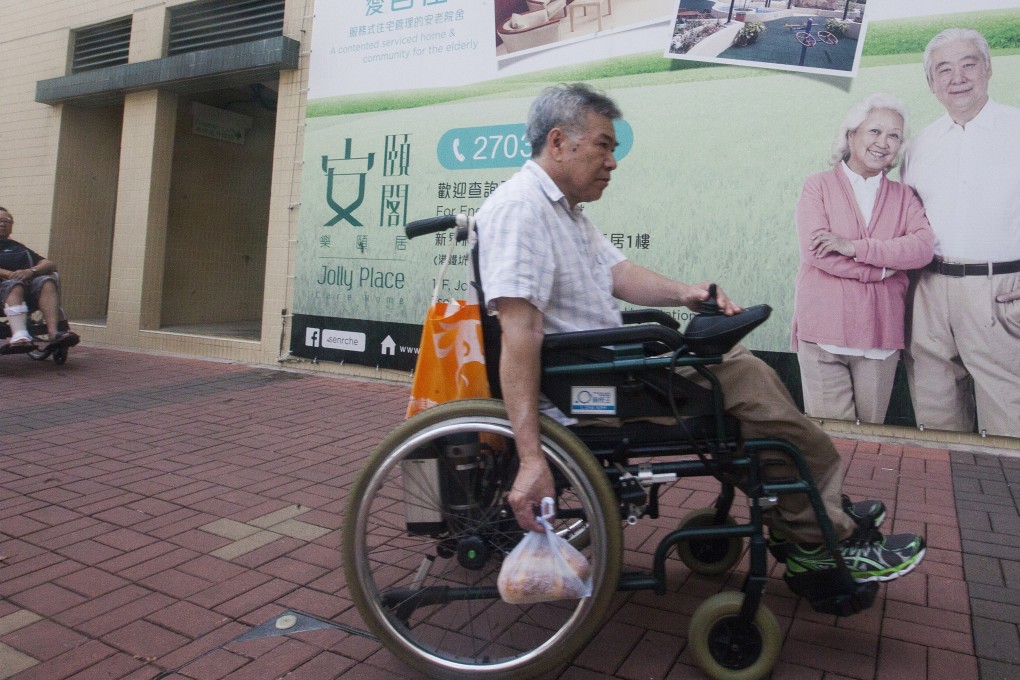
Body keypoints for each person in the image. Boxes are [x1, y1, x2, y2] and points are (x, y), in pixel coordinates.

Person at [475, 83, 925, 583]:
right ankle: (821, 538)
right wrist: (531, 456)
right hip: (590, 393)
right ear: (558, 142)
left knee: (743, 369)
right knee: (751, 390)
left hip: (609, 372)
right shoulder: (521, 210)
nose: (613, 161)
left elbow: (618, 273)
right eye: (604, 145)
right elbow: (519, 334)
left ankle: (817, 511)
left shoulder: (564, 213)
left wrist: (686, 292)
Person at [901, 28, 1020, 438]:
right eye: (943, 69)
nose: (958, 78)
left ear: (987, 69)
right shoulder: (920, 145)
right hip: (930, 290)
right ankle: (953, 501)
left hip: (1000, 290)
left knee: (1009, 419)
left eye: (969, 64)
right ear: (931, 83)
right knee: (936, 419)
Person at [792, 94, 934, 424]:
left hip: (880, 337)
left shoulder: (904, 196)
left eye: (894, 135)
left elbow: (923, 248)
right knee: (833, 441)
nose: (883, 143)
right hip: (824, 333)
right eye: (874, 131)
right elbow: (818, 253)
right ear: (851, 134)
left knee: (871, 443)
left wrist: (855, 248)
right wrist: (886, 268)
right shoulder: (818, 186)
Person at [0, 206, 79, 352]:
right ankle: (19, 335)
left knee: (46, 281)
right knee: (14, 284)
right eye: (0, 221)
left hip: (26, 293)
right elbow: (12, 279)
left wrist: (31, 271)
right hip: (4, 293)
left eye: (7, 221)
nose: (3, 224)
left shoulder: (19, 248)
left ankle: (54, 334)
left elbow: (50, 264)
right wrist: (10, 274)